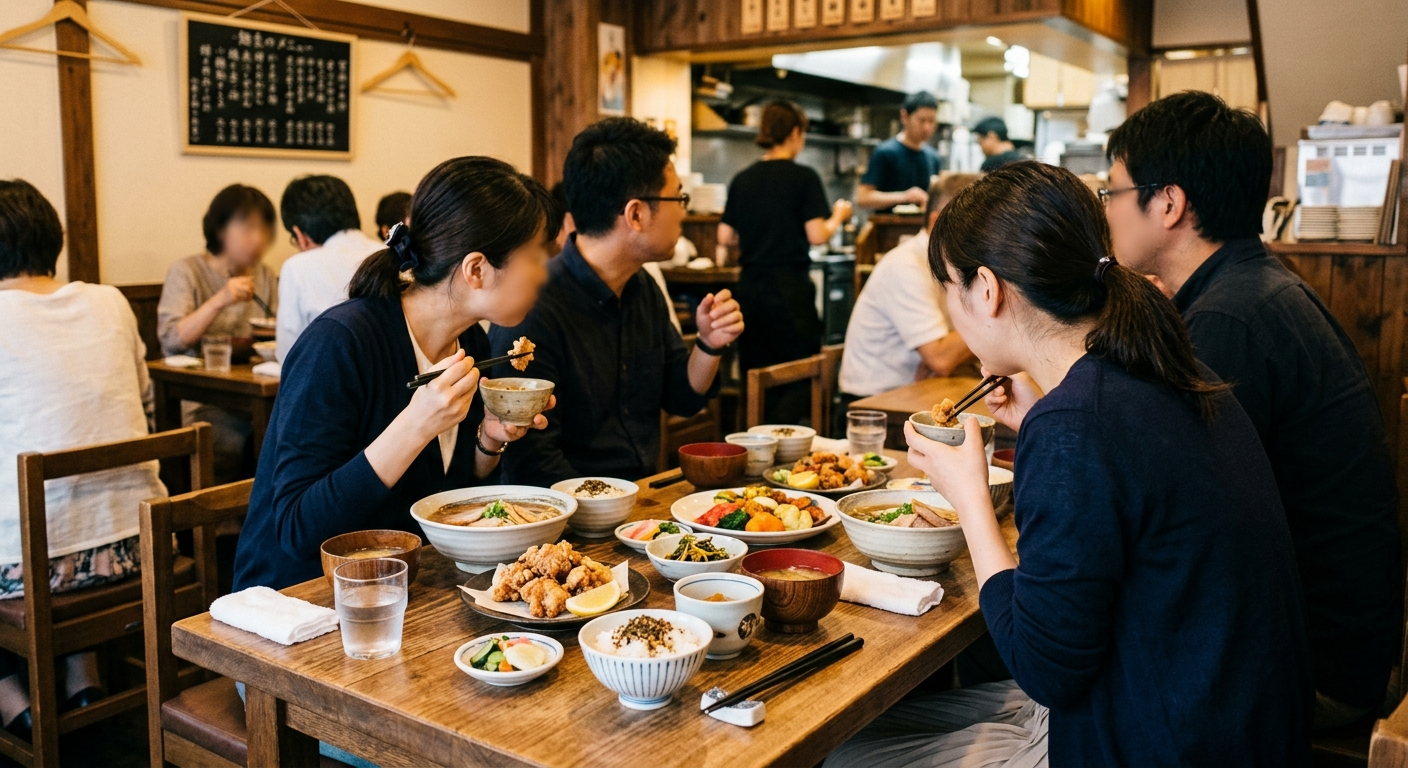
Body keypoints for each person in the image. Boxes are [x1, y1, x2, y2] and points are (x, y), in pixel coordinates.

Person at [828, 162, 1313, 767]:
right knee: (858, 736)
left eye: (948, 289)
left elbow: (1044, 668)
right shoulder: (1157, 367)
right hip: (1227, 715)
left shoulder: (1075, 425)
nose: (952, 307)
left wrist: (971, 501)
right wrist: (1038, 423)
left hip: (1166, 740)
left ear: (986, 288)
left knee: (847, 759)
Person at [1104, 90, 1401, 729]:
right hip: (1337, 639)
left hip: (1314, 671)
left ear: (1168, 203)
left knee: (1045, 642)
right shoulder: (1254, 285)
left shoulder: (1227, 322)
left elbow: (1175, 523)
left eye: (1113, 192)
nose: (1106, 211)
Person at [234, 158, 556, 592]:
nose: (544, 272)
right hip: (299, 601)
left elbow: (442, 498)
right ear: (476, 269)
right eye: (535, 256)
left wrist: (488, 440)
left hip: (405, 587)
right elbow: (297, 530)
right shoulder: (339, 344)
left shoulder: (471, 344)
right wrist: (416, 424)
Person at [489, 118, 744, 485]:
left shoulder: (642, 286)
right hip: (564, 518)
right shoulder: (533, 308)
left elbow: (683, 399)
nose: (684, 212)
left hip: (637, 499)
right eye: (678, 198)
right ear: (636, 214)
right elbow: (532, 462)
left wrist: (709, 343)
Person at [0, 180, 168, 736]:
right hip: (137, 548)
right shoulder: (110, 301)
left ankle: (12, 701)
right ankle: (81, 674)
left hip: (30, 569)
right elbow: (145, 400)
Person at [718, 100, 852, 424]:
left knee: (756, 373)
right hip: (789, 291)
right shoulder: (803, 177)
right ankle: (792, 444)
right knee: (799, 372)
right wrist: (838, 216)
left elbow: (726, 236)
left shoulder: (743, 178)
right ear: (794, 133)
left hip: (750, 291)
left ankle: (755, 439)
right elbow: (818, 235)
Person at [157, 184, 278, 482]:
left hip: (255, 396)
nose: (259, 239)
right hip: (200, 399)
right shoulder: (186, 271)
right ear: (220, 228)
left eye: (264, 229)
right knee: (245, 438)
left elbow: (277, 333)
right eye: (248, 228)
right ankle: (230, 524)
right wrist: (221, 299)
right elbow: (171, 339)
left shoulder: (264, 275)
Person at [838, 174, 977, 408]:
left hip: (919, 392)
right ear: (937, 222)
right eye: (977, 226)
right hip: (872, 406)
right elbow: (941, 359)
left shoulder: (952, 264)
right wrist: (995, 315)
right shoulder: (906, 265)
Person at [274, 175, 383, 362]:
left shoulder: (298, 267)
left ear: (300, 235)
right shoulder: (391, 254)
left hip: (331, 385)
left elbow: (289, 355)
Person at [857, 91, 941, 211]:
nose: (927, 127)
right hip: (888, 227)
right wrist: (904, 196)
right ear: (904, 117)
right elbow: (863, 198)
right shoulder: (885, 152)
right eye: (922, 120)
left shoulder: (933, 157)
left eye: (931, 121)